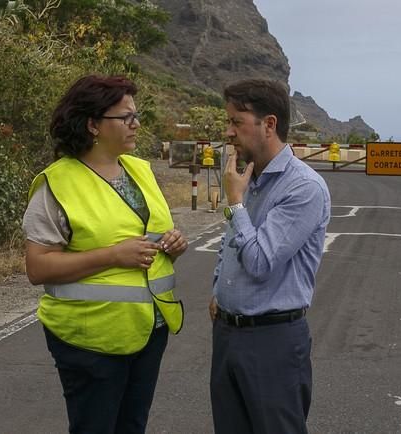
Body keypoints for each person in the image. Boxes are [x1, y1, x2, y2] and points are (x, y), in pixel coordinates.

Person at [22, 74, 187, 433]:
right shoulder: (57, 184)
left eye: (136, 115)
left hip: (149, 330)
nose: (136, 124)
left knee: (132, 427)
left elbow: (149, 237)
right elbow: (38, 266)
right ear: (93, 124)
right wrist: (112, 256)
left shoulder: (139, 171)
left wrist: (173, 245)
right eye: (126, 117)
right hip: (89, 339)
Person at [208, 79, 331, 434]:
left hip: (272, 341)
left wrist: (234, 203)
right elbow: (229, 241)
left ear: (270, 124)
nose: (228, 132)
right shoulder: (249, 178)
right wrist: (219, 289)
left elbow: (261, 262)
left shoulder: (302, 188)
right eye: (228, 121)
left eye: (237, 122)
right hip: (229, 334)